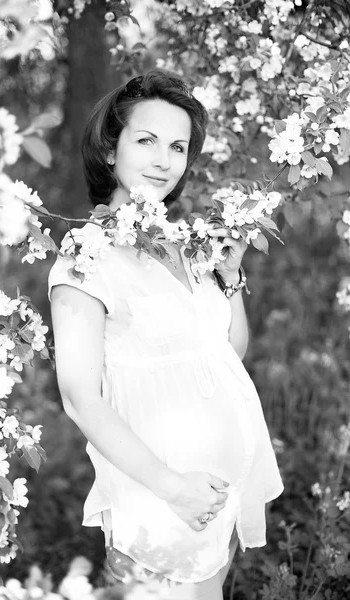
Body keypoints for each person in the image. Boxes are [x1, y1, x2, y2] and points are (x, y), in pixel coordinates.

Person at [48, 70, 284, 600]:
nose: (163, 159)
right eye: (146, 140)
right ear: (111, 150)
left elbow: (226, 355)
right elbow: (79, 398)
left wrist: (230, 276)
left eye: (177, 147)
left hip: (218, 495)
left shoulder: (187, 243)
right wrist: (174, 488)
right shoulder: (85, 257)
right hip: (161, 498)